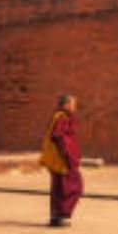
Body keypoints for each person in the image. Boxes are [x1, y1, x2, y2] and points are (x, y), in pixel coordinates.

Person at [42, 95, 83, 227]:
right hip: (63, 159)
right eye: (73, 104)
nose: (74, 107)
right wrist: (68, 157)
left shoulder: (59, 117)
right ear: (65, 105)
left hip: (60, 159)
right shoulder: (61, 118)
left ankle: (56, 217)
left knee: (59, 188)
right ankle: (62, 216)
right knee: (72, 187)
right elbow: (59, 137)